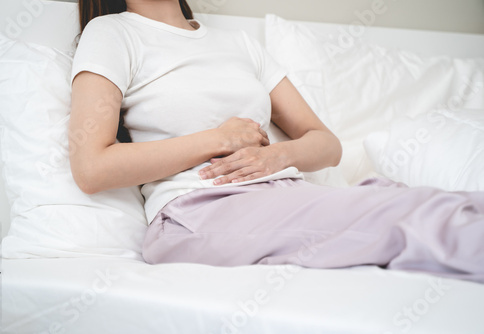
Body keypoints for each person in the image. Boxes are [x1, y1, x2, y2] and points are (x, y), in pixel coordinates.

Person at [70, 0, 484, 283]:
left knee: (415, 201)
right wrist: (217, 139)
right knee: (405, 213)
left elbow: (326, 144)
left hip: (280, 193)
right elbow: (91, 168)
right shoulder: (111, 33)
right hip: (195, 214)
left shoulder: (239, 44)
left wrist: (278, 156)